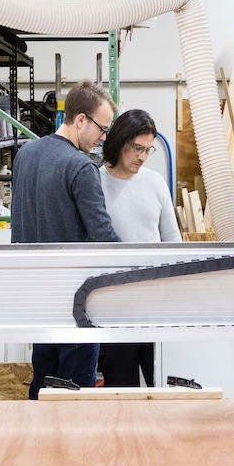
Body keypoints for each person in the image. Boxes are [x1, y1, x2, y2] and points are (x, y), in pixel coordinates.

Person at [11, 79, 120, 399]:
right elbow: (103, 236)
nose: (103, 137)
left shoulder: (26, 154)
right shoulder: (81, 167)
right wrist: (140, 262)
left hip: (37, 296)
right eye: (102, 128)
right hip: (75, 303)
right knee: (75, 399)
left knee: (42, 387)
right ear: (81, 120)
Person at [97, 108, 181, 388]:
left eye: (148, 150)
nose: (143, 157)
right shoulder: (96, 183)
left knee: (164, 383)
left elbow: (173, 243)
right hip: (114, 307)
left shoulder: (155, 183)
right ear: (120, 142)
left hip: (156, 304)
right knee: (120, 389)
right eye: (137, 149)